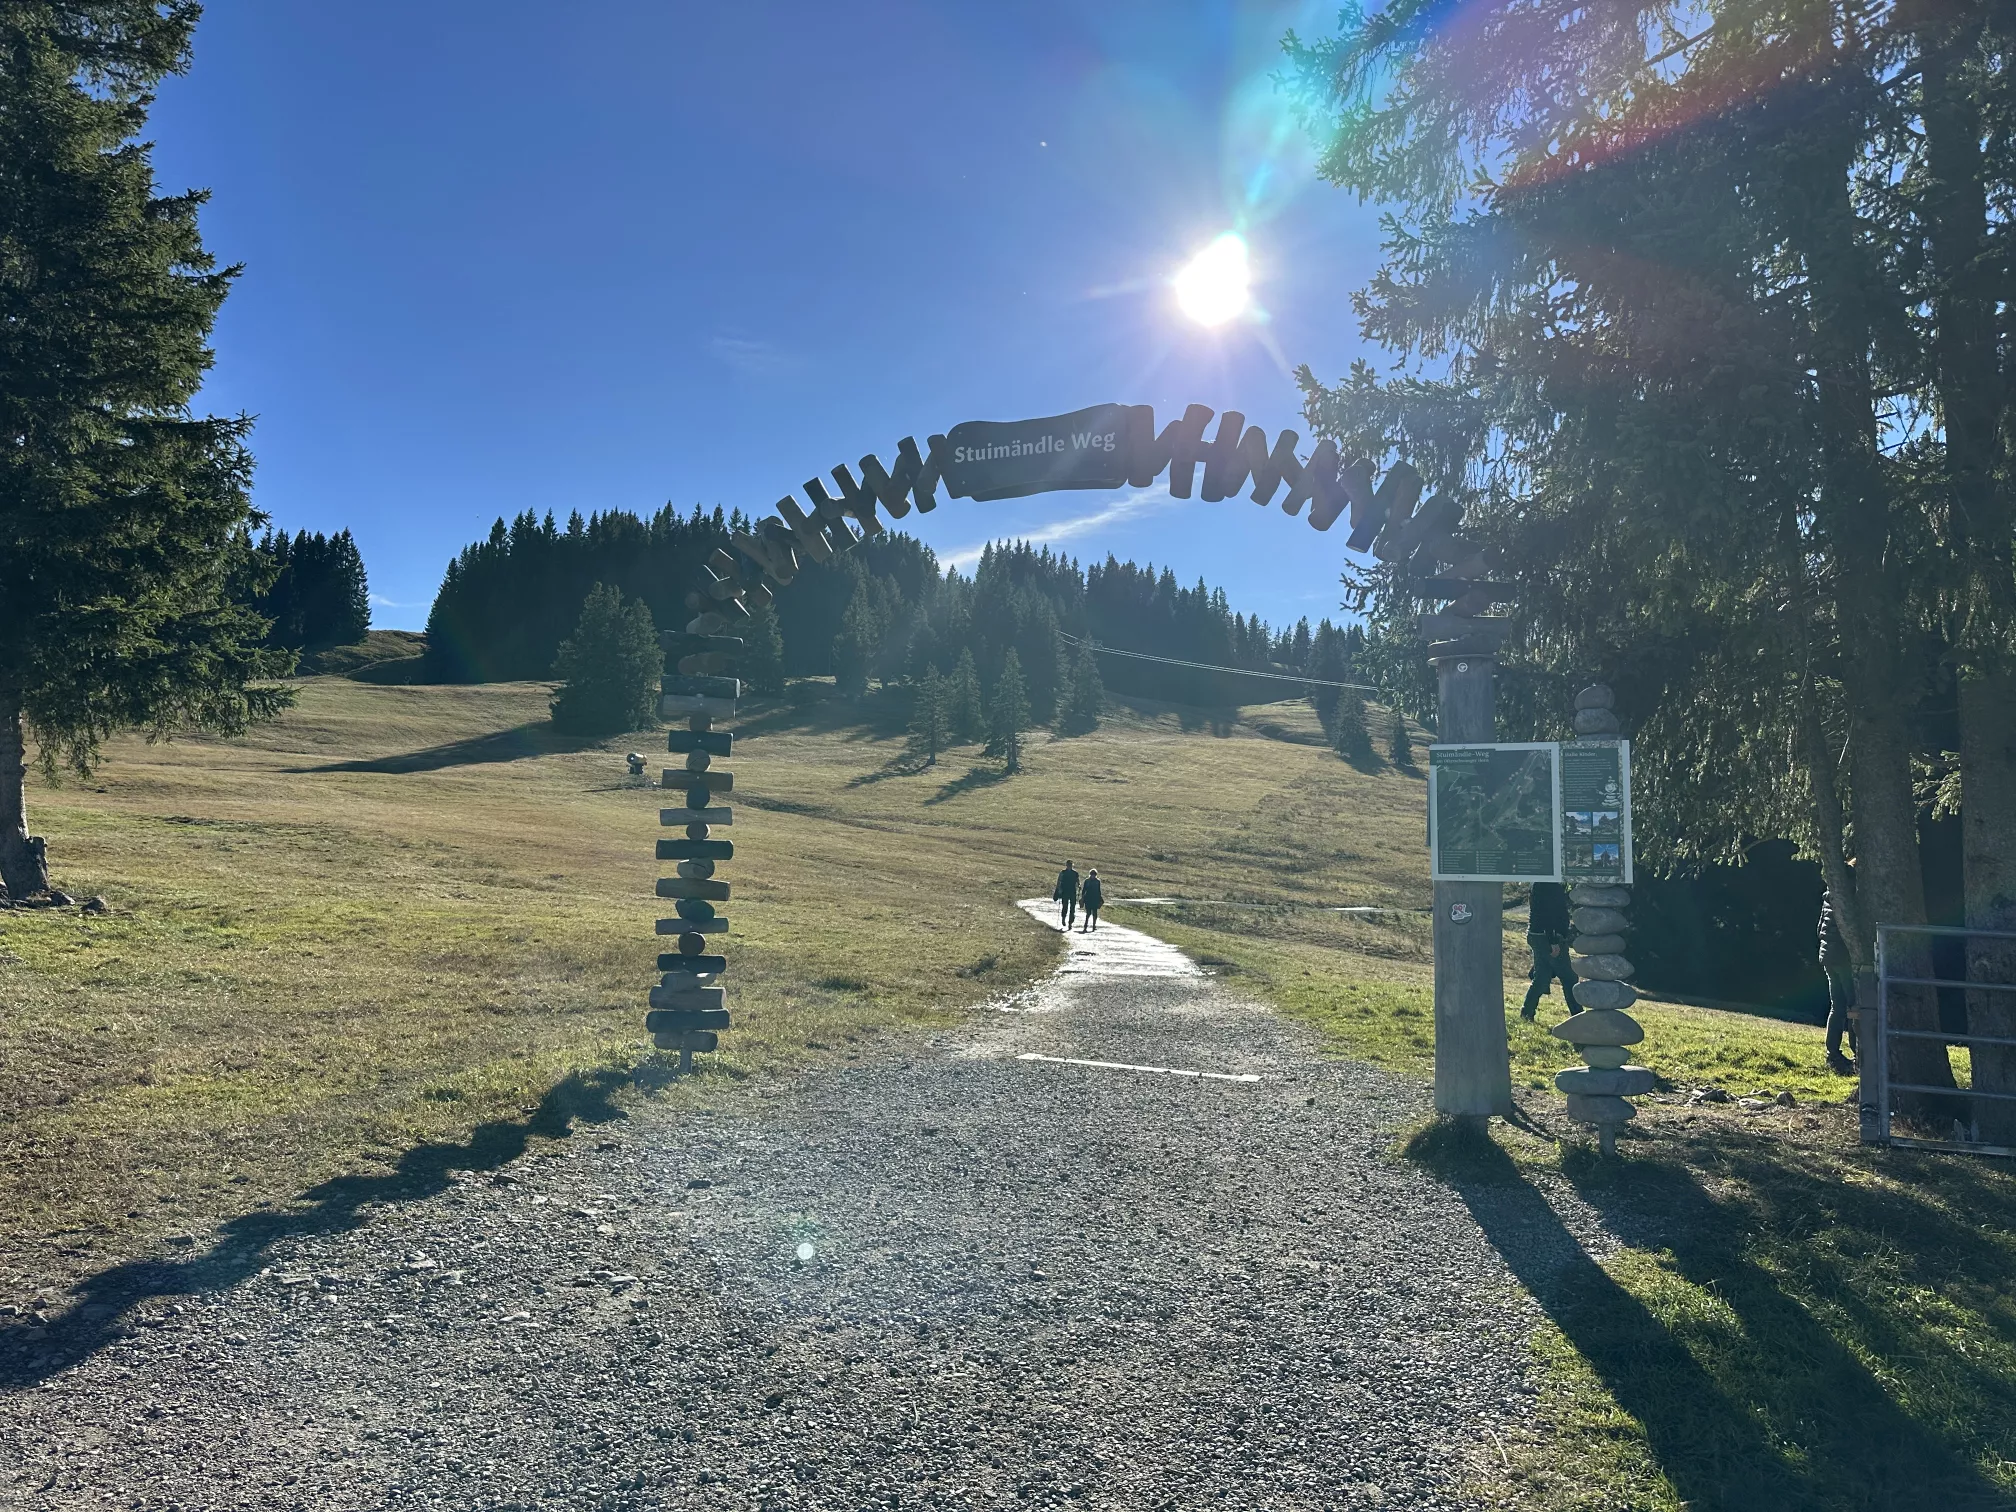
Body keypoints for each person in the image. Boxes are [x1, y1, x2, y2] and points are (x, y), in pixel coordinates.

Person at [1521, 880, 1579, 1020]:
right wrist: (1553, 940)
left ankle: (1527, 1012)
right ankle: (1578, 1015)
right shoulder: (1547, 883)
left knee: (1541, 977)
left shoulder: (1539, 882)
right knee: (1569, 978)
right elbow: (1547, 912)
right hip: (1547, 937)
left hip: (1537, 934)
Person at [1820, 869, 1857, 1075]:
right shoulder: (1847, 900)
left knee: (1837, 1005)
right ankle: (1857, 1051)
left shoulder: (1828, 898)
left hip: (1828, 956)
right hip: (1844, 957)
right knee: (1854, 1006)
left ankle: (1832, 1051)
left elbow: (1820, 929)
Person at [1053, 860, 1079, 929]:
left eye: (1070, 865)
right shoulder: (1063, 872)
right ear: (1066, 865)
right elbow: (1059, 881)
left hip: (1072, 892)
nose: (1069, 866)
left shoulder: (1075, 873)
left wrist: (1079, 886)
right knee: (1065, 906)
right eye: (1068, 865)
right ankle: (1063, 918)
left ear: (1072, 866)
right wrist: (1058, 890)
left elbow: (1077, 882)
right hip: (1065, 892)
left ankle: (1070, 922)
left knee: (1072, 908)